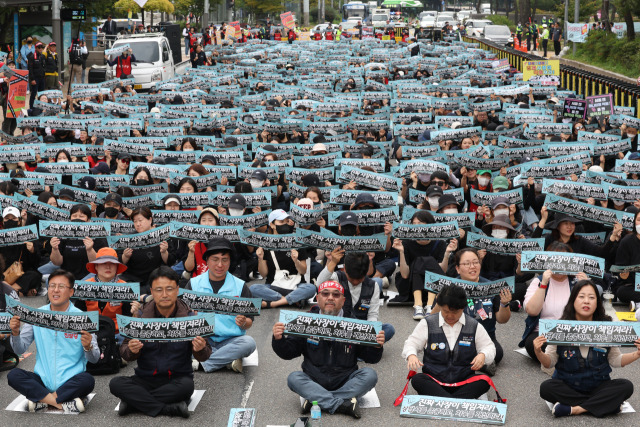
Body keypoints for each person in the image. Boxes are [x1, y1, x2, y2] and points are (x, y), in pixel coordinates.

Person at [272, 280, 385, 419]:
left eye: (336, 295)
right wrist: (279, 339)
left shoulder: (354, 324)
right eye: (325, 294)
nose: (330, 297)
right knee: (294, 378)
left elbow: (371, 358)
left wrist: (376, 346)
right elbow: (288, 353)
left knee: (370, 375)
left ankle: (317, 400)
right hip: (314, 380)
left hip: (345, 381)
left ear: (343, 301)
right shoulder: (305, 321)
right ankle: (342, 404)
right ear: (318, 299)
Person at [109, 267, 212, 418]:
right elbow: (125, 351)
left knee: (186, 387)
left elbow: (205, 355)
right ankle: (169, 408)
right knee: (116, 384)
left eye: (169, 289)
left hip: (178, 380)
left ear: (177, 290)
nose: (164, 294)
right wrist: (131, 350)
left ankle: (133, 403)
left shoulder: (191, 317)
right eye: (158, 290)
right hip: (145, 379)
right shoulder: (140, 316)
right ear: (151, 291)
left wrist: (200, 348)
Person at [536, 280, 638, 418]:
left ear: (597, 302)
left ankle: (576, 409)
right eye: (581, 296)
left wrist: (637, 353)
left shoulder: (606, 326)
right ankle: (606, 405)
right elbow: (549, 362)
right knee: (546, 388)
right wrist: (538, 352)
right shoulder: (560, 326)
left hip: (598, 387)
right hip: (568, 386)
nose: (586, 301)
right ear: (573, 300)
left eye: (591, 297)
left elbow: (615, 360)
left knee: (626, 386)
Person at [7, 269, 99, 414]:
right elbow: (19, 350)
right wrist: (15, 333)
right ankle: (59, 403)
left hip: (71, 380)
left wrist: (88, 347)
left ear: (71, 292)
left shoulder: (82, 318)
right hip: (42, 381)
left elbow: (94, 359)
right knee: (13, 375)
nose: (55, 290)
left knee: (87, 380)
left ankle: (41, 401)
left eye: (61, 286)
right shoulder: (36, 315)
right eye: (52, 285)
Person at [402, 284, 496, 399]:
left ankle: (443, 400)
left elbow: (490, 347)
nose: (450, 316)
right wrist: (411, 355)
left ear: (463, 308)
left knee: (484, 382)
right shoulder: (428, 323)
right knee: (417, 379)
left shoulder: (474, 325)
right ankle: (456, 401)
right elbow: (411, 343)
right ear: (440, 306)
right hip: (435, 381)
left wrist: (483, 355)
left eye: (455, 312)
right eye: (446, 311)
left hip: (463, 381)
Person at [185, 238, 257, 373]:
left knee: (249, 343)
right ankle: (225, 361)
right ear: (207, 260)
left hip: (229, 340)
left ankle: (202, 364)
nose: (220, 264)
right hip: (201, 340)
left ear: (230, 262)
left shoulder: (240, 286)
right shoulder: (193, 284)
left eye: (225, 260)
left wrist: (243, 322)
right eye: (215, 259)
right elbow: (181, 316)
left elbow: (249, 322)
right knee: (178, 342)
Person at [521, 242, 590, 361]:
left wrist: (586, 286)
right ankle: (568, 360)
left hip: (572, 332)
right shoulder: (539, 281)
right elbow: (532, 311)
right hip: (543, 334)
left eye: (565, 260)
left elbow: (591, 312)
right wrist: (543, 284)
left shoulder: (576, 281)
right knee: (534, 345)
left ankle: (566, 359)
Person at [318, 248, 395, 341]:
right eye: (351, 279)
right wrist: (333, 262)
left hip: (360, 331)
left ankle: (357, 348)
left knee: (388, 329)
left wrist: (371, 333)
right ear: (345, 269)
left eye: (359, 279)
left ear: (366, 272)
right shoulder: (337, 277)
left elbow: (372, 315)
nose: (355, 282)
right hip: (337, 327)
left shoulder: (373, 285)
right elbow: (319, 284)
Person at [249, 209, 317, 308]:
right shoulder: (266, 244)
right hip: (273, 286)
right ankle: (292, 300)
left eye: (286, 221)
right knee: (253, 288)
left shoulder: (296, 241)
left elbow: (303, 271)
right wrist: (260, 258)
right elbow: (263, 274)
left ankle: (274, 303)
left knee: (311, 288)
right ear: (272, 225)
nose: (284, 224)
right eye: (281, 222)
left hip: (296, 285)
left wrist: (296, 261)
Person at [74, 247, 130, 343]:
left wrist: (135, 311)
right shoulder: (85, 285)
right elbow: (79, 313)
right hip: (90, 332)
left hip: (116, 333)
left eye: (112, 264)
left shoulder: (125, 287)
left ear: (117, 267)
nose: (108, 267)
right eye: (104, 263)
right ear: (96, 266)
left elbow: (127, 316)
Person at [119, 207, 176, 292]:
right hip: (133, 279)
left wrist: (164, 252)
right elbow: (120, 262)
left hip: (157, 278)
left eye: (140, 220)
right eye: (135, 221)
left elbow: (171, 261)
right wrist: (125, 256)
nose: (138, 224)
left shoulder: (162, 235)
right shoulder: (128, 238)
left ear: (150, 220)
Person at [49, 204, 107, 281]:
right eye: (74, 216)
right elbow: (57, 263)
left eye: (81, 216)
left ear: (88, 220)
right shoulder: (62, 235)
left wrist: (90, 249)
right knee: (48, 282)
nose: (77, 219)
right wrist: (55, 249)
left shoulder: (96, 236)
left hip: (90, 274)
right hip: (67, 275)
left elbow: (98, 263)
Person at [27, 42, 45, 108]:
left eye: (42, 47)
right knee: (33, 93)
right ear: (36, 48)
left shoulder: (42, 56)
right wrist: (32, 79)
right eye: (39, 47)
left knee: (41, 94)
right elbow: (30, 69)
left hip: (42, 78)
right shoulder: (32, 56)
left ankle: (40, 107)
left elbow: (44, 67)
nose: (40, 49)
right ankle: (31, 107)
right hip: (35, 78)